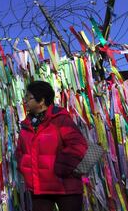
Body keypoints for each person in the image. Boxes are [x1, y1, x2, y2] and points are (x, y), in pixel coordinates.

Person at [15, 81, 88, 211]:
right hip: (39, 189)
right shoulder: (26, 125)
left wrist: (63, 166)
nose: (24, 101)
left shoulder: (60, 119)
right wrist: (24, 166)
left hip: (65, 187)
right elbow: (20, 151)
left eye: (28, 97)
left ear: (41, 100)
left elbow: (78, 145)